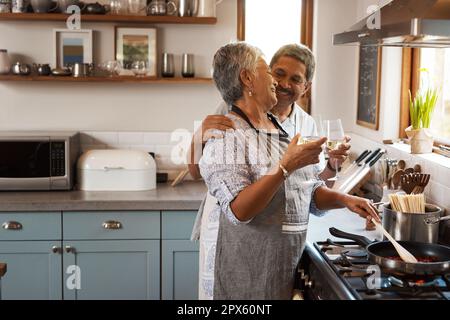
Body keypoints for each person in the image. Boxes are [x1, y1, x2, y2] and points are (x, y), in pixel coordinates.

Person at [198, 42, 380, 300]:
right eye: (268, 71)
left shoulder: (279, 128)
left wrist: (346, 200)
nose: (275, 81)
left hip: (281, 268)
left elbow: (306, 189)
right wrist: (286, 165)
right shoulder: (227, 134)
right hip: (247, 274)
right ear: (247, 78)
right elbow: (239, 209)